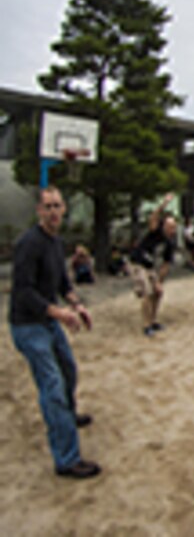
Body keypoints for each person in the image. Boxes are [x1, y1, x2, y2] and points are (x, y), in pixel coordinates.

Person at [9, 186, 100, 479]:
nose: (52, 212)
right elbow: (23, 292)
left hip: (48, 321)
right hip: (27, 326)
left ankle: (67, 418)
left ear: (63, 210)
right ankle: (67, 459)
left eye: (57, 206)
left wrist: (76, 305)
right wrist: (59, 313)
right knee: (52, 386)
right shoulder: (28, 244)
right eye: (47, 207)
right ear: (38, 211)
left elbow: (62, 282)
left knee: (69, 371)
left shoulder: (56, 242)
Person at [129, 194, 178, 337]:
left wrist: (159, 282)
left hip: (150, 267)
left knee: (158, 292)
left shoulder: (170, 243)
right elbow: (154, 217)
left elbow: (166, 264)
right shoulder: (155, 232)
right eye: (169, 227)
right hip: (138, 263)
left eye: (174, 227)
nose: (172, 230)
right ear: (164, 226)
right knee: (147, 292)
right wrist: (164, 204)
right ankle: (146, 325)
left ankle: (153, 320)